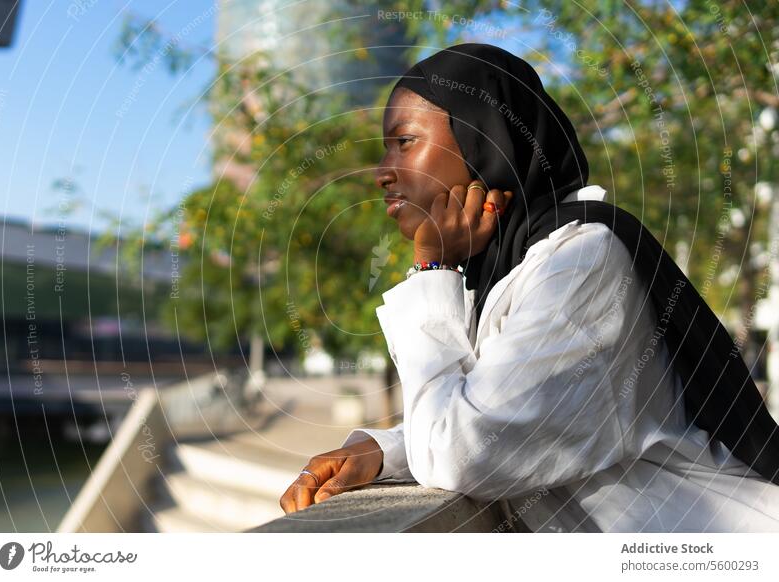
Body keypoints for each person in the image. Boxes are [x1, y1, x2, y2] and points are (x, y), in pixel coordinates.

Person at [279, 43, 779, 532]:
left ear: (484, 142)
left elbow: (466, 453)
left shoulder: (581, 261)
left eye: (405, 142)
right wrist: (384, 450)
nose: (383, 173)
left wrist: (432, 269)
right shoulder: (507, 269)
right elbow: (502, 411)